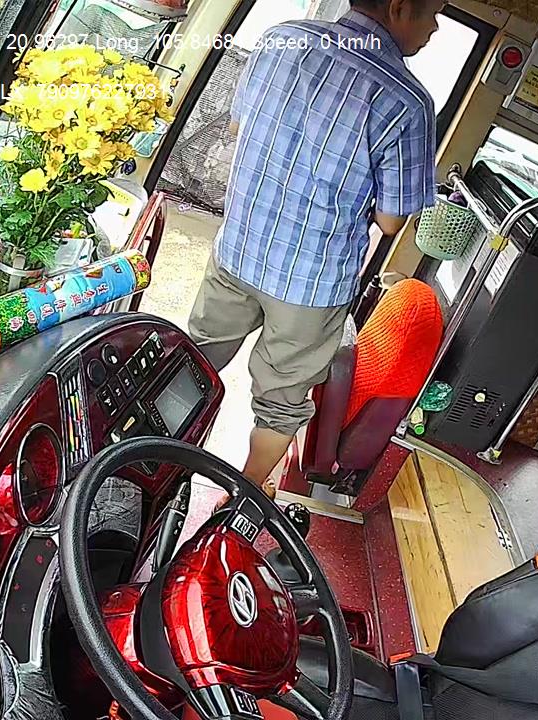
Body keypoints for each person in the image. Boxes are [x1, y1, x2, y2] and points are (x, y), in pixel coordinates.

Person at [187, 0, 443, 495]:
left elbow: (239, 128)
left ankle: (144, 462)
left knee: (193, 365)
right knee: (280, 405)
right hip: (311, 282)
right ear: (399, 7)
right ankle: (240, 498)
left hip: (238, 248)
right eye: (433, 12)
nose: (434, 28)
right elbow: (391, 221)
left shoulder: (280, 38)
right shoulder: (409, 103)